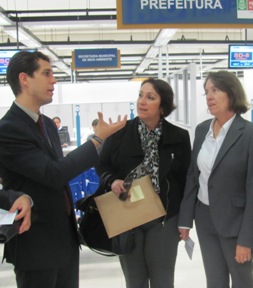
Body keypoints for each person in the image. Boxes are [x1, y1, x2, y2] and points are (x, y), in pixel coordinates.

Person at [0, 50, 127, 288]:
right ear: (24, 79)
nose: (54, 80)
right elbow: (53, 174)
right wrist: (96, 141)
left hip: (65, 241)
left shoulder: (46, 124)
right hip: (36, 247)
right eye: (46, 73)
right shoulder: (8, 129)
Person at [97, 77, 191, 288]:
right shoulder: (119, 134)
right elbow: (102, 166)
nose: (142, 101)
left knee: (163, 281)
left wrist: (185, 221)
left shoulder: (179, 136)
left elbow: (186, 181)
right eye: (141, 95)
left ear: (163, 106)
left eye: (150, 97)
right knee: (134, 281)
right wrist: (112, 181)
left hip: (164, 219)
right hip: (127, 216)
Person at [178, 71, 253, 288]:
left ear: (231, 93)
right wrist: (185, 219)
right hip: (205, 219)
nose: (209, 96)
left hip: (236, 223)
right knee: (215, 281)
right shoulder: (202, 130)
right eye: (206, 91)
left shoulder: (251, 133)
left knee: (242, 281)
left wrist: (246, 240)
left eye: (215, 90)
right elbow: (193, 177)